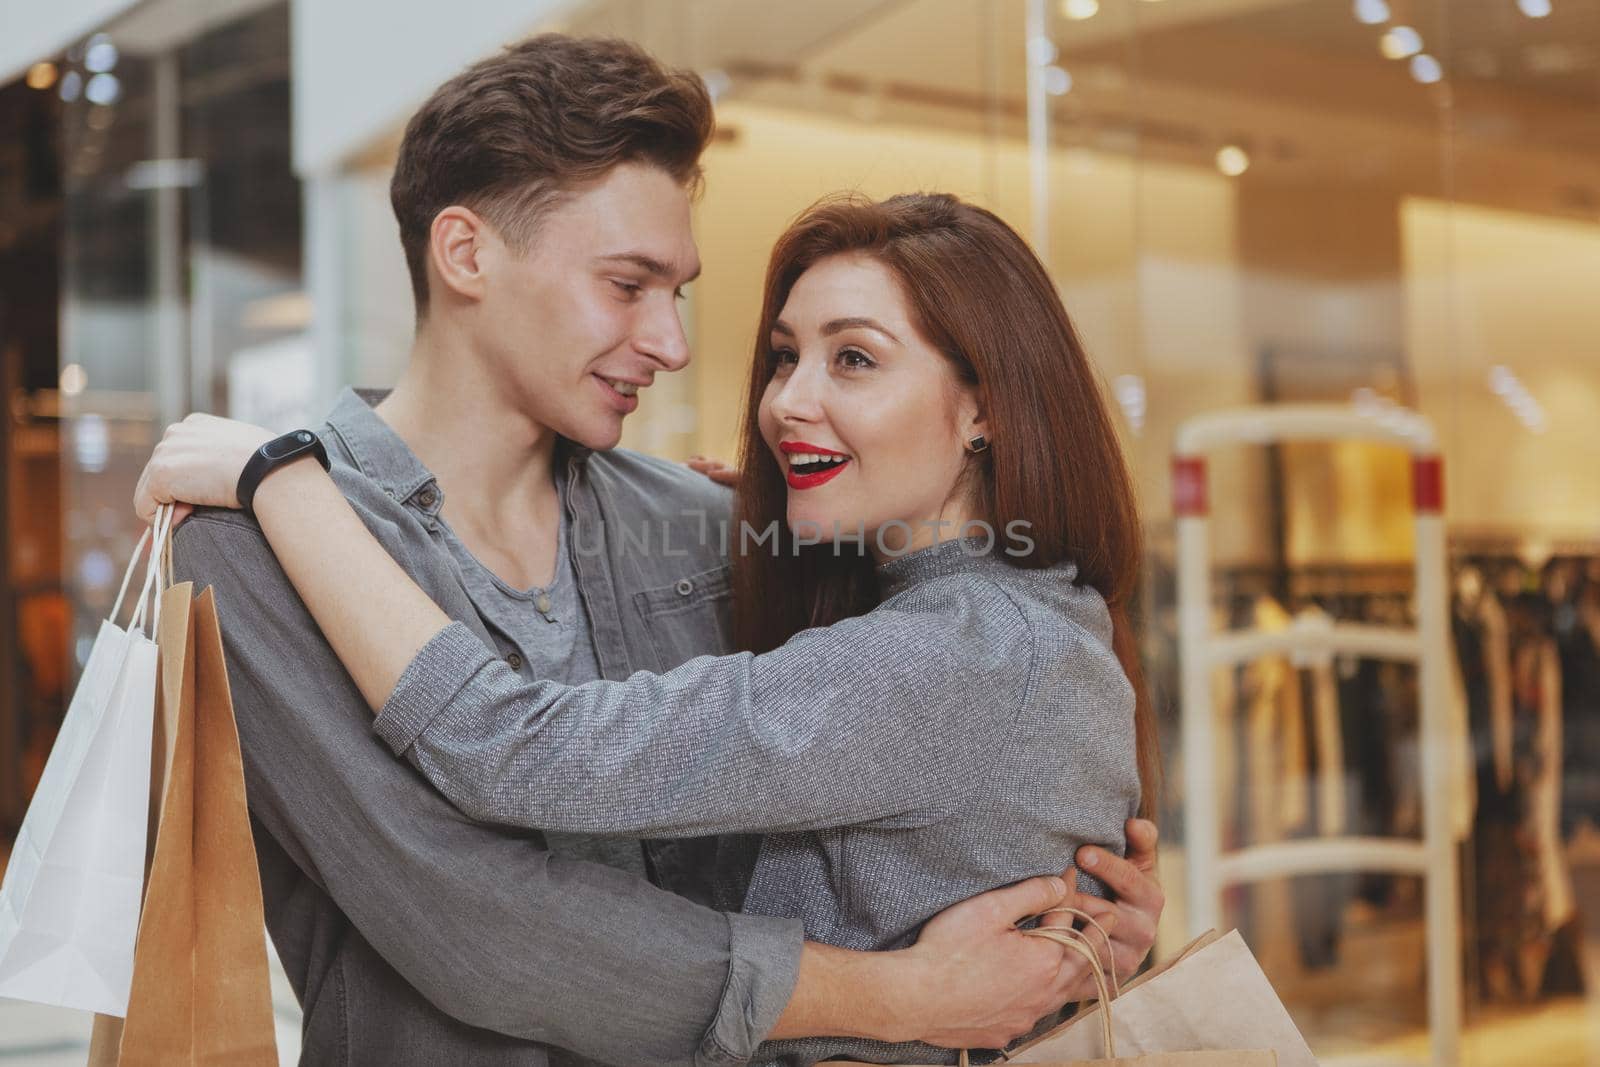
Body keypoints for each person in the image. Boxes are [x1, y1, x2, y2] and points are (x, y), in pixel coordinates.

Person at [138, 34, 1167, 1067]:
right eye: (629, 285)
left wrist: (1077, 910)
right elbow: (476, 927)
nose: (672, 342)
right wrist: (902, 992)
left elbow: (915, 794)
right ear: (465, 254)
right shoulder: (251, 543)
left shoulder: (712, 527)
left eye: (676, 292)